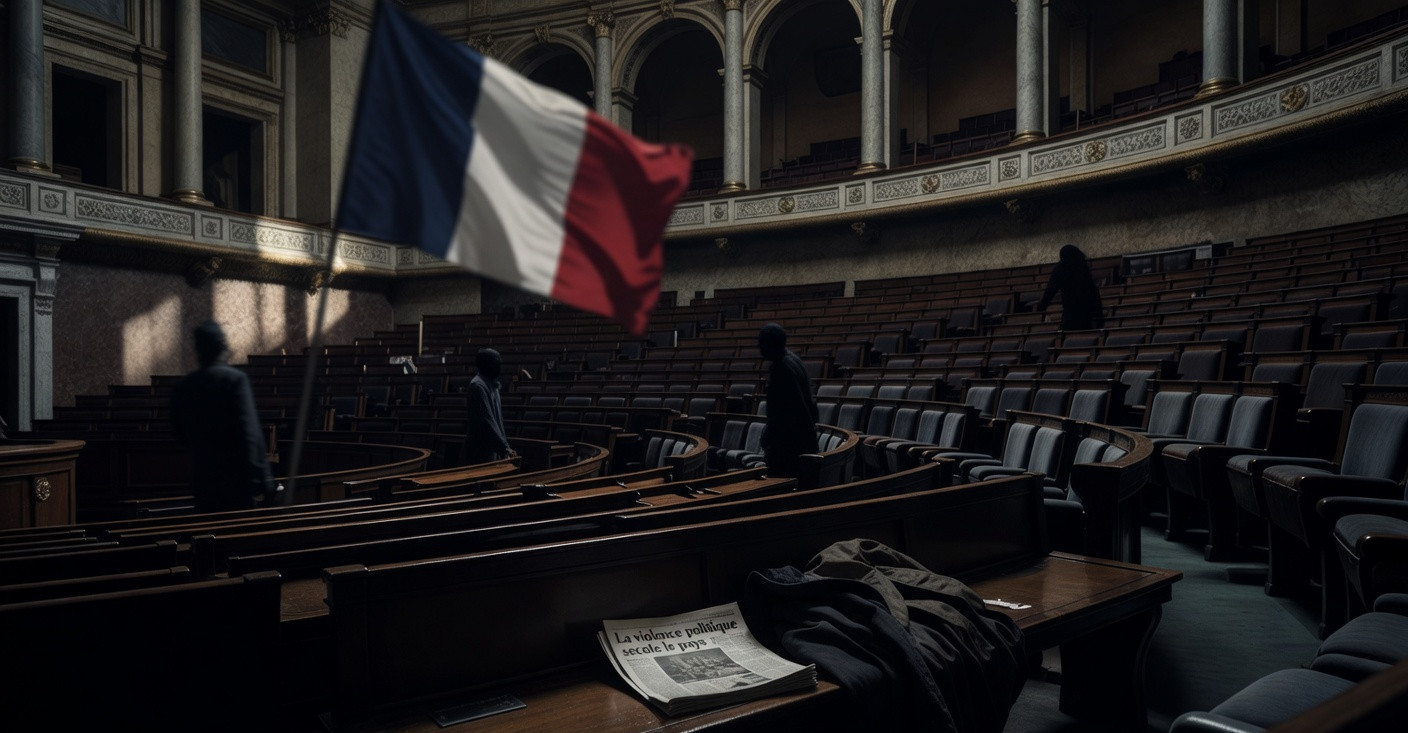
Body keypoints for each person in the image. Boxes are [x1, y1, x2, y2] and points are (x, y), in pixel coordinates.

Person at [171, 320, 278, 512]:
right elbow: (250, 436)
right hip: (237, 483)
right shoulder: (235, 381)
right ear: (221, 347)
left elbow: (179, 434)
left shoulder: (184, 387)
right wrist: (265, 481)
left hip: (204, 481)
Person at [757, 323, 819, 478]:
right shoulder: (793, 359)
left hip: (790, 449)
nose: (759, 348)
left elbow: (784, 414)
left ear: (771, 344)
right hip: (803, 442)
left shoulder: (781, 368)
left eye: (762, 343)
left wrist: (768, 438)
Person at [1036, 244, 1105, 331]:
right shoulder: (1082, 268)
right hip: (1086, 315)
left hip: (1070, 314)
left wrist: (1041, 307)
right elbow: (1094, 294)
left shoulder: (1061, 268)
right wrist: (1098, 316)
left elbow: (1050, 290)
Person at [465, 347, 513, 463]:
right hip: (481, 448)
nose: (499, 368)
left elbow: (498, 421)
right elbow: (487, 420)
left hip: (494, 447)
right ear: (487, 365)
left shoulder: (493, 384)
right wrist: (504, 448)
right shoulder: (477, 386)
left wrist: (505, 445)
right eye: (497, 363)